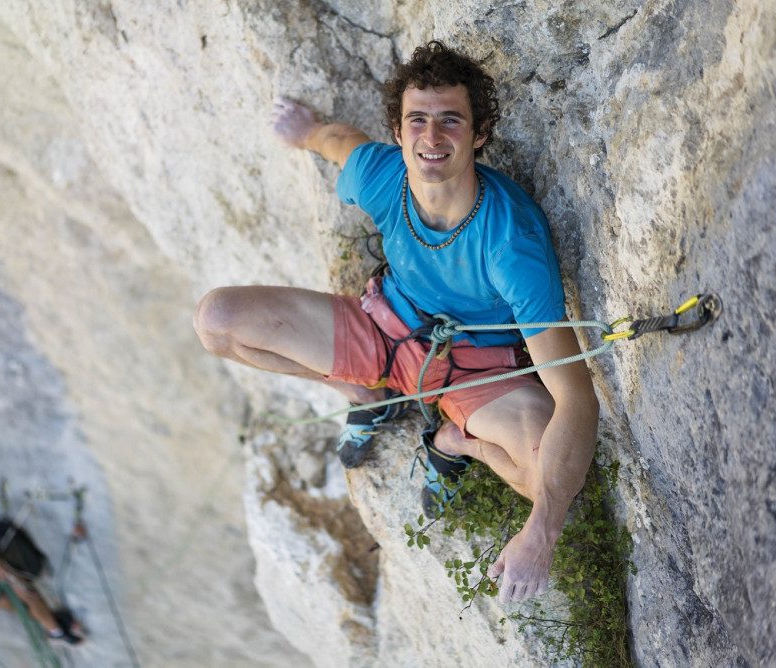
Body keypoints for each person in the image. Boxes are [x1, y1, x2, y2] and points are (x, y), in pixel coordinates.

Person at [192, 40, 599, 604]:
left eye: (451, 121)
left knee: (546, 480)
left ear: (479, 134)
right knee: (217, 321)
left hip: (475, 374)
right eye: (418, 121)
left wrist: (541, 535)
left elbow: (576, 397)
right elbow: (341, 144)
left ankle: (460, 444)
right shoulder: (386, 177)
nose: (432, 138)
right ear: (400, 130)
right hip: (383, 330)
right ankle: (368, 391)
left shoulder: (511, 243)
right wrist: (306, 131)